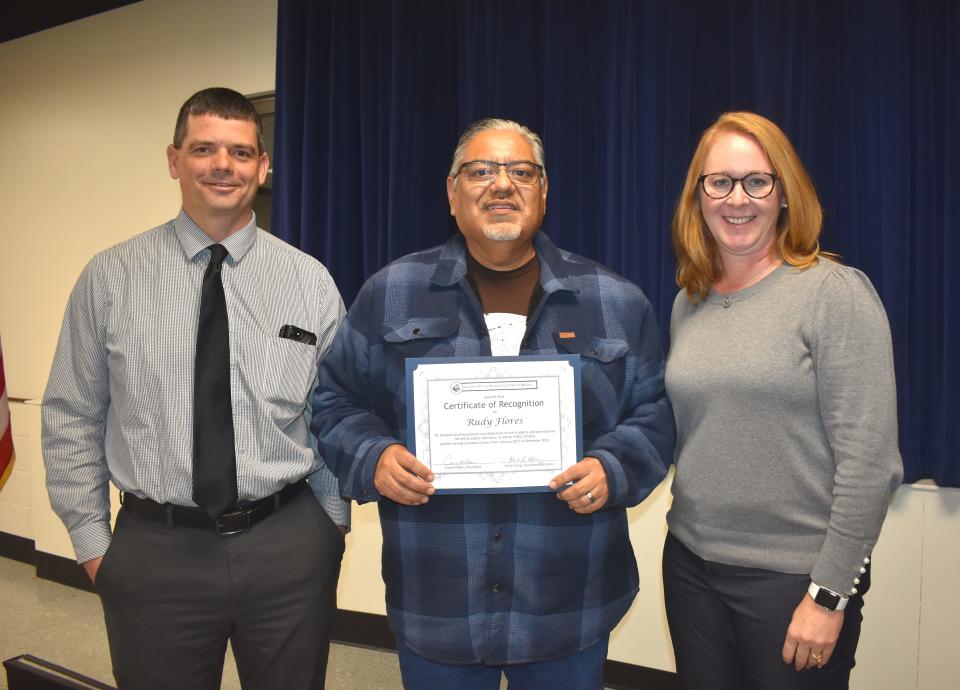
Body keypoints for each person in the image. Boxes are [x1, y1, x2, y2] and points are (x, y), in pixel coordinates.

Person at [312, 118, 674, 689]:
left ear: (544, 191)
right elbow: (334, 401)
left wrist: (613, 468)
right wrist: (374, 456)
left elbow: (654, 415)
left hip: (568, 599)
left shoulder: (615, 300)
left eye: (520, 172)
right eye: (480, 171)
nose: (501, 184)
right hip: (438, 598)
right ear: (452, 194)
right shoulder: (390, 292)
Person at [42, 87, 348, 690]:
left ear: (263, 168)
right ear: (174, 160)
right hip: (156, 551)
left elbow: (333, 411)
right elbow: (71, 413)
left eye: (240, 152)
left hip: (289, 547)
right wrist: (94, 545)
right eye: (203, 148)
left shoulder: (308, 280)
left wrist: (329, 525)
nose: (222, 165)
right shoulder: (111, 277)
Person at [663, 111, 903, 690]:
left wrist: (828, 594)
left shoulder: (832, 293)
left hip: (793, 581)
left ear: (785, 194)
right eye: (718, 182)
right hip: (692, 568)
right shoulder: (688, 302)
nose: (736, 199)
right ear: (698, 197)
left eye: (757, 181)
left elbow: (870, 466)